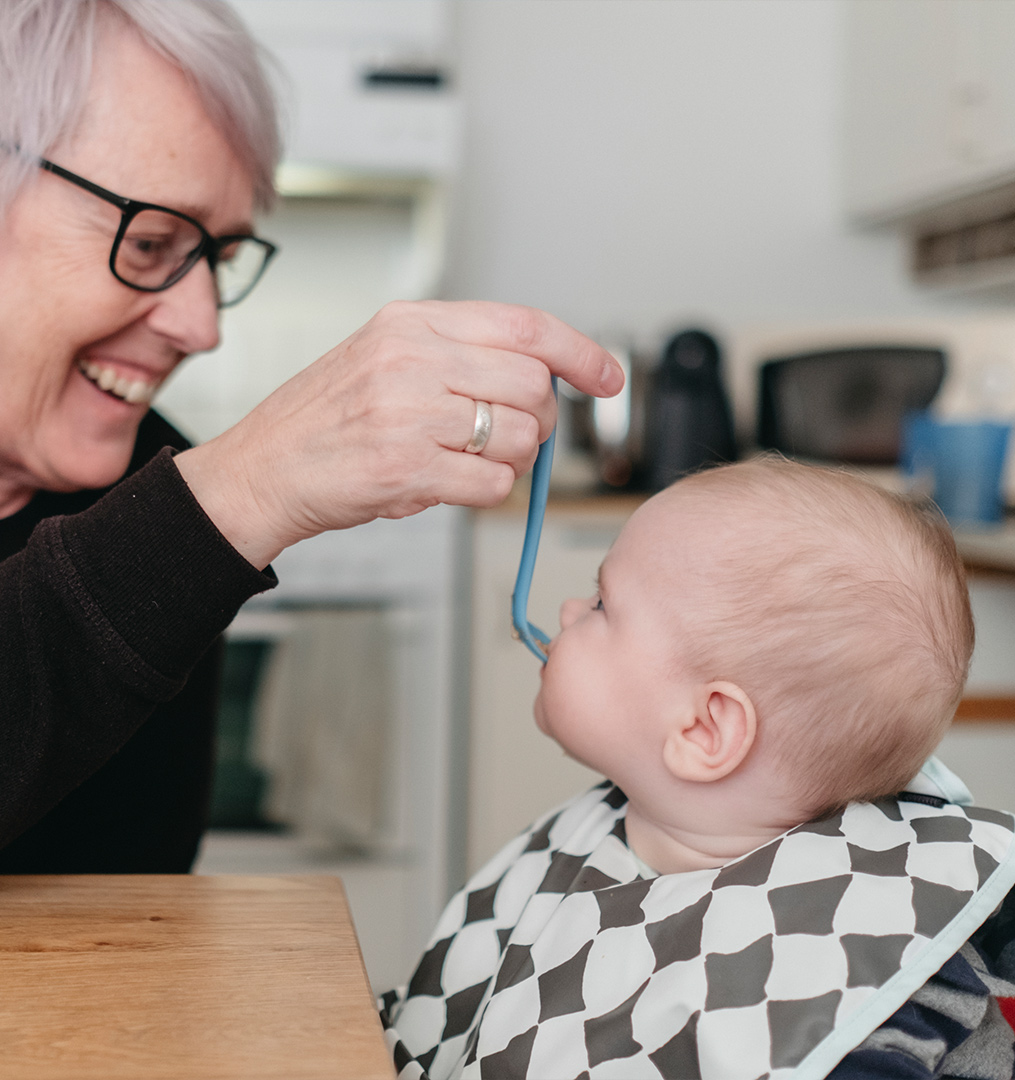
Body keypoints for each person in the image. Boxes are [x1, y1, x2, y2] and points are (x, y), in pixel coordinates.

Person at [0, 0, 622, 873]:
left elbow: (131, 900)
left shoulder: (145, 471)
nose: (200, 325)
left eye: (216, 260)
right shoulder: (176, 508)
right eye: (148, 244)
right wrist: (238, 489)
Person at [381, 457, 1015, 1080]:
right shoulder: (605, 834)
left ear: (704, 731)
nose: (565, 611)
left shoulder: (854, 971)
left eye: (601, 605)